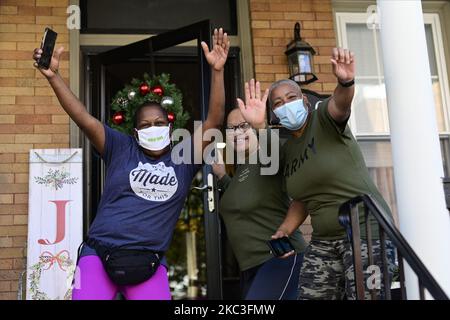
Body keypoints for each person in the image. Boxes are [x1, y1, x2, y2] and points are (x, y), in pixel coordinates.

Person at [32, 28, 230, 300]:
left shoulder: (184, 158)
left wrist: (217, 72)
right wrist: (54, 77)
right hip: (98, 256)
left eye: (159, 123)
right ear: (135, 133)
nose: (153, 128)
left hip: (148, 262)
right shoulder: (121, 147)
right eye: (145, 125)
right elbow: (83, 117)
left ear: (170, 128)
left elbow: (214, 121)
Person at [237, 47, 396, 300]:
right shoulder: (288, 150)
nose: (285, 105)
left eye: (290, 98)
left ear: (303, 101)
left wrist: (345, 82)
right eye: (277, 103)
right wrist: (285, 230)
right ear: (274, 114)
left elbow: (340, 105)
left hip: (366, 232)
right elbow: (303, 198)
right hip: (324, 242)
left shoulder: (323, 118)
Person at [212, 108, 308, 300]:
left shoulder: (267, 159)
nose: (237, 132)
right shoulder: (242, 168)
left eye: (243, 125)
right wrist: (222, 177)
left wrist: (262, 127)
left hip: (281, 258)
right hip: (251, 267)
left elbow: (277, 153)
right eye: (231, 128)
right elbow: (243, 198)